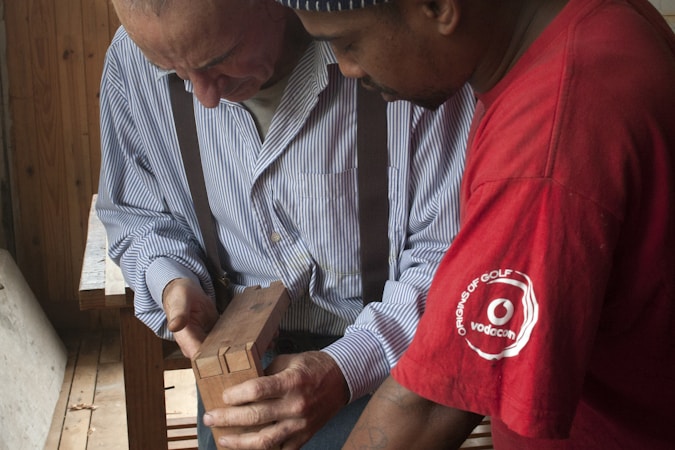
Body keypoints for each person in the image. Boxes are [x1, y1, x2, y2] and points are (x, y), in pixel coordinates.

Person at [277, 0, 675, 448]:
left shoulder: (548, 135)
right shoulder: (593, 21)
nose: (346, 69)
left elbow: (436, 401)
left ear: (437, 7)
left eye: (348, 43)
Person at [97, 0, 475, 449]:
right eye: (174, 73)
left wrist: (347, 366)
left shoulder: (403, 53)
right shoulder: (131, 60)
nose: (204, 97)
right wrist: (170, 278)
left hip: (394, 368)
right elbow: (134, 213)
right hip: (240, 371)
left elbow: (452, 258)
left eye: (218, 59)